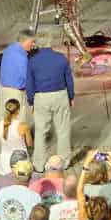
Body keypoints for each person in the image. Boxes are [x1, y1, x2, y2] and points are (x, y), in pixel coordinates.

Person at [26, 39, 74, 171]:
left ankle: (39, 164)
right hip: (60, 95)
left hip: (41, 97)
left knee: (41, 131)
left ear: (38, 44)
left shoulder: (32, 61)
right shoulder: (61, 58)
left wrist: (31, 101)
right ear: (50, 43)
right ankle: (64, 161)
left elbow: (30, 83)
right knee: (63, 129)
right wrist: (71, 96)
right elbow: (68, 79)